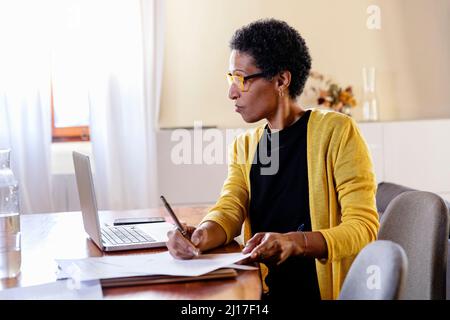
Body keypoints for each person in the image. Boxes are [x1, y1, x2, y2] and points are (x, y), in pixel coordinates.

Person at [166, 18, 379, 300]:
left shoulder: (337, 133)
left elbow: (364, 228)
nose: (232, 92)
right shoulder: (245, 146)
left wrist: (296, 242)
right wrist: (202, 234)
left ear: (281, 80)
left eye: (241, 78)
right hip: (262, 292)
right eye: (231, 79)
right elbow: (230, 208)